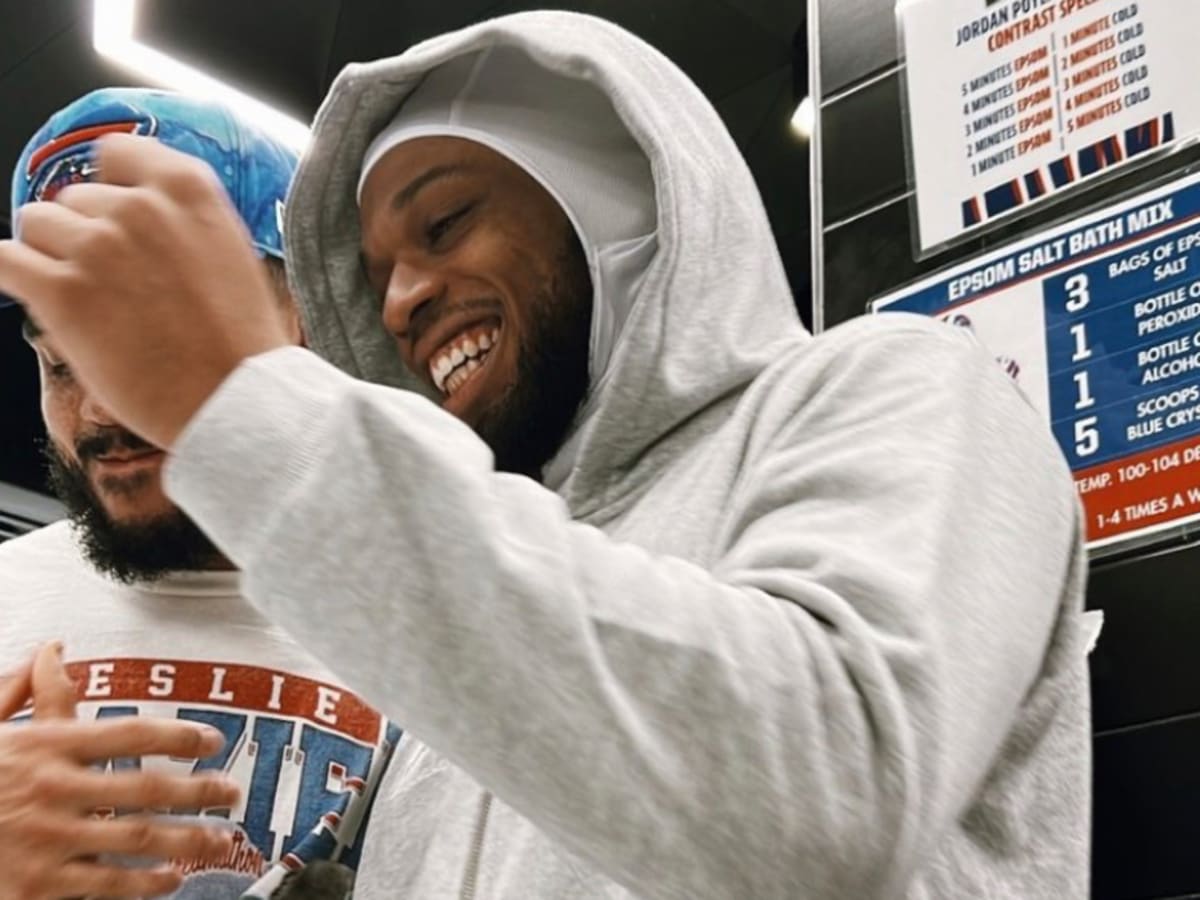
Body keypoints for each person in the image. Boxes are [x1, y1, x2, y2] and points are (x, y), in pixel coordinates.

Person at [0, 12, 1091, 900]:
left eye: (446, 222)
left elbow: (829, 799)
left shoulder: (894, 386)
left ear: (620, 199)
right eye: (376, 270)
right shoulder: (488, 573)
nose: (403, 298)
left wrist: (240, 402)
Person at [0, 88, 399, 900]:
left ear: (308, 325)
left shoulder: (427, 630)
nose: (104, 411)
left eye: (153, 344)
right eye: (63, 363)